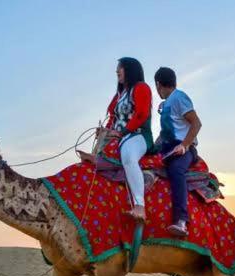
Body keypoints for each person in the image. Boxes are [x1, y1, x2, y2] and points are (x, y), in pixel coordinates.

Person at [80, 57, 154, 222]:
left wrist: (122, 132)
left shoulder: (141, 88)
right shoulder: (119, 95)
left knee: (128, 156)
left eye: (120, 68)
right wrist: (105, 131)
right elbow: (113, 118)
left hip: (138, 135)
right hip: (119, 137)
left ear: (130, 70)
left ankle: (140, 205)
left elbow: (141, 114)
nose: (117, 71)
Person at [153, 67, 202, 237]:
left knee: (176, 171)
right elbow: (166, 131)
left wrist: (185, 145)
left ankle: (181, 221)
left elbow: (196, 123)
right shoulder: (166, 104)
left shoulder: (179, 98)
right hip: (166, 148)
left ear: (158, 84)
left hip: (183, 149)